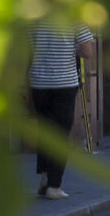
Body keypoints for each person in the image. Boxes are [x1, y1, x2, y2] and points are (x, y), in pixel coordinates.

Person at [28, 22, 95, 200]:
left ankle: (44, 177)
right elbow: (87, 52)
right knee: (60, 134)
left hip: (39, 82)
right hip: (63, 83)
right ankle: (54, 186)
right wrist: (73, 51)